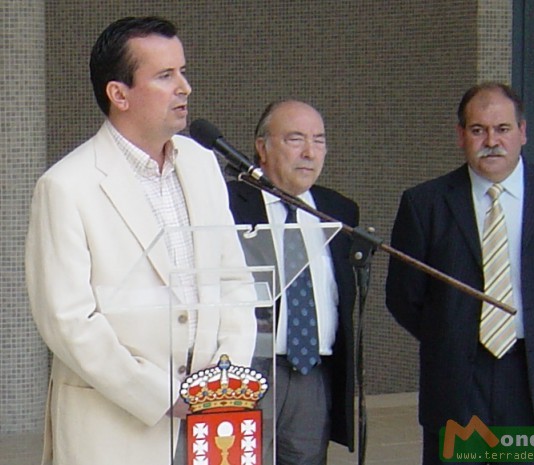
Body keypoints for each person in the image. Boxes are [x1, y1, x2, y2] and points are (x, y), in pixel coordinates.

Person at [25, 16, 256, 465]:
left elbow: (235, 280)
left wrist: (224, 379)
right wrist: (162, 395)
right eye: (165, 76)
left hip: (213, 417)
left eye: (183, 71)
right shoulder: (67, 185)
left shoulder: (203, 164)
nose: (184, 87)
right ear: (119, 94)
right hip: (115, 423)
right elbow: (68, 321)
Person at [385, 82, 534, 465]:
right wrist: (449, 333)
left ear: (523, 133)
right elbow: (403, 295)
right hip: (456, 376)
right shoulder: (424, 203)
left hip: (530, 373)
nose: (491, 140)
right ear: (461, 136)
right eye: (478, 130)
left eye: (503, 129)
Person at [227, 99, 359, 465]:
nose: (309, 152)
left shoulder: (339, 210)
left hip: (311, 372)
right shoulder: (228, 204)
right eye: (295, 139)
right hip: (246, 369)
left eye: (319, 141)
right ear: (262, 147)